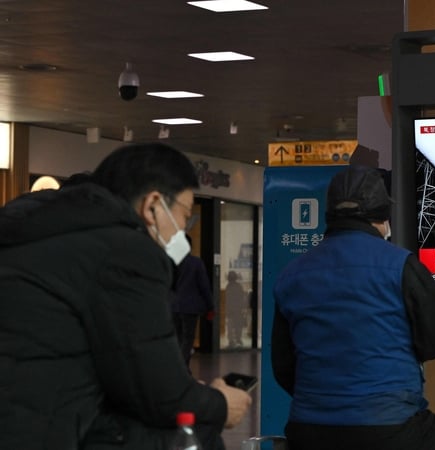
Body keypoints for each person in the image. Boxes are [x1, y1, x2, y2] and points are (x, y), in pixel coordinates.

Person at [0, 142, 252, 450]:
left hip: (26, 412)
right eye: (185, 214)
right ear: (152, 206)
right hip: (43, 429)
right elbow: (162, 395)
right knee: (196, 434)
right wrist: (221, 403)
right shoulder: (127, 252)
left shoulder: (37, 234)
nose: (183, 229)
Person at [271, 164, 435, 450]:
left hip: (308, 432)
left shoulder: (292, 273)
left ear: (329, 215)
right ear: (383, 217)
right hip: (388, 429)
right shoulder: (399, 265)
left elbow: (283, 366)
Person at [172, 235, 215, 366]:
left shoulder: (172, 263)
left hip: (173, 307)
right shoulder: (196, 263)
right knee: (187, 339)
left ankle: (181, 369)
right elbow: (204, 286)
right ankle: (182, 369)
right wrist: (211, 306)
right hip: (190, 308)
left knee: (178, 339)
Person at [225, 270, 248, 348]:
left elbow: (227, 300)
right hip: (238, 310)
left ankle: (231, 341)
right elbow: (242, 298)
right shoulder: (239, 286)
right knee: (238, 326)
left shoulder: (228, 287)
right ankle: (238, 339)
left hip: (231, 310)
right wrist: (243, 308)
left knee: (230, 326)